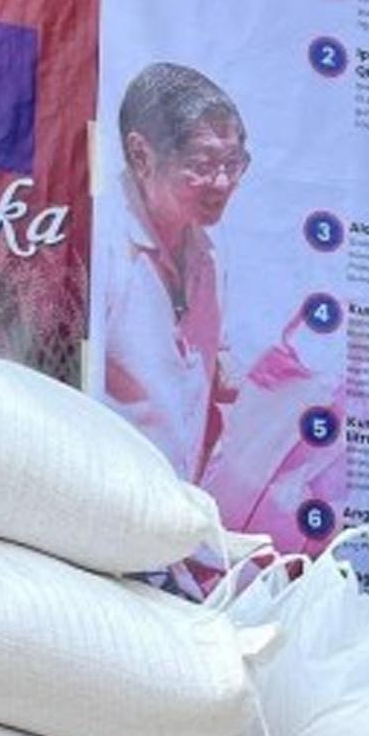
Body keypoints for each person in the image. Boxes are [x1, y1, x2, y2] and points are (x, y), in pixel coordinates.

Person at [97, 62, 251, 482]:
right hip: (106, 496)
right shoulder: (99, 245)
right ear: (141, 155)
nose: (222, 183)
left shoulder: (211, 254)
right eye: (203, 163)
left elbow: (206, 382)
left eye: (233, 163)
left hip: (177, 506)